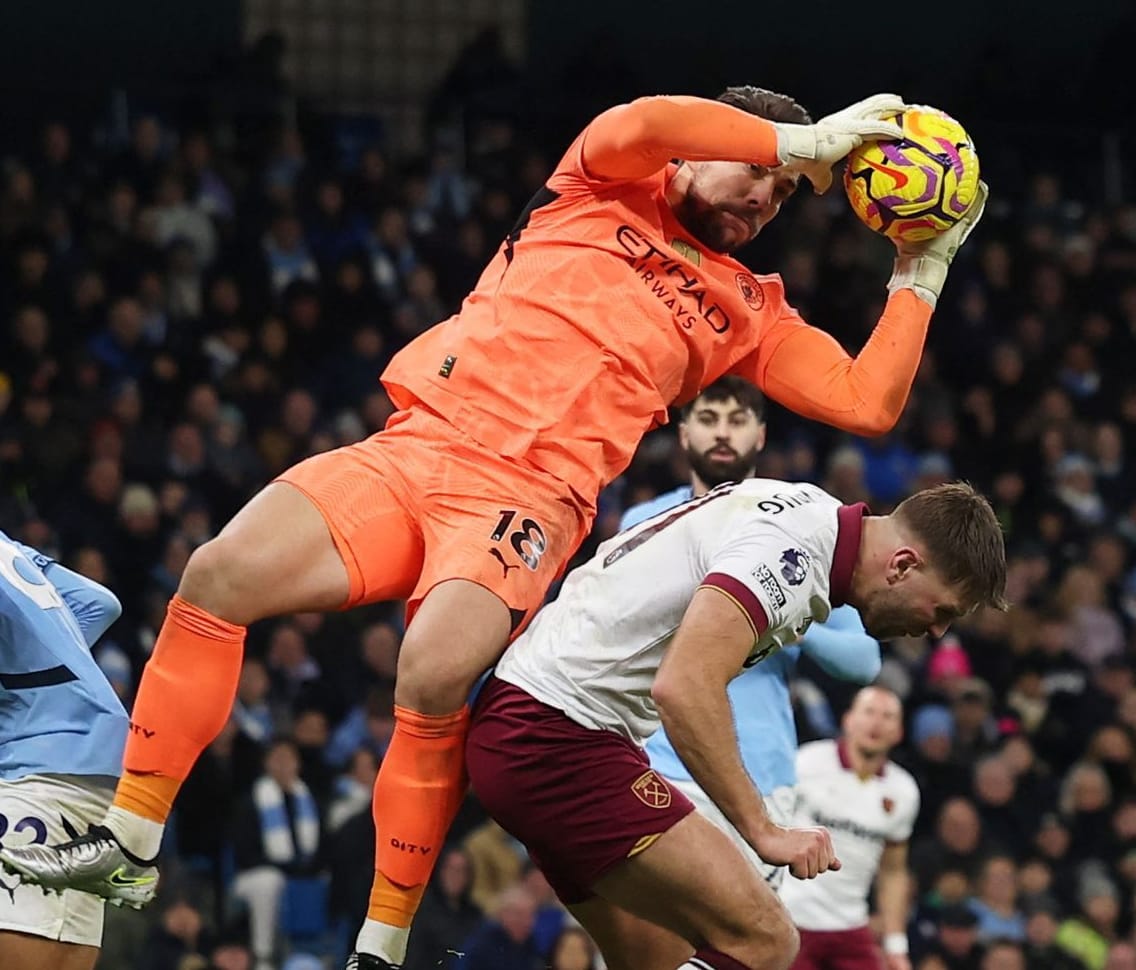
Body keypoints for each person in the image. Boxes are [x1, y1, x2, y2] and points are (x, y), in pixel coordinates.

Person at [1, 86, 988, 970]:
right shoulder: (599, 181)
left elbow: (865, 401)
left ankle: (380, 945)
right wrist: (799, 140)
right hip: (418, 447)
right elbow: (643, 120)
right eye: (758, 177)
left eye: (780, 200)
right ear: (695, 156)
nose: (764, 201)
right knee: (216, 574)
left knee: (430, 671)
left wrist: (923, 266)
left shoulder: (748, 309)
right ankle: (128, 843)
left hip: (525, 504)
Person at [468, 479, 1006, 970]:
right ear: (903, 565)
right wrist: (763, 830)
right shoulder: (794, 553)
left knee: (659, 957)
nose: (937, 632)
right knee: (767, 938)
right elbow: (684, 687)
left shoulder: (807, 510)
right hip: (555, 734)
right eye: (944, 611)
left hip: (537, 725)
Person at [622, 376, 883, 886]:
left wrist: (787, 617)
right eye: (708, 419)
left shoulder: (805, 522)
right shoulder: (645, 518)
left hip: (761, 770)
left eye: (738, 421)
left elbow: (865, 661)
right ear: (683, 434)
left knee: (745, 952)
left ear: (760, 435)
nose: (723, 434)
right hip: (654, 757)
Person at [0, 529, 127, 970]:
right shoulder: (9, 547)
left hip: (34, 768)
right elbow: (100, 604)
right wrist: (38, 668)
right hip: (102, 767)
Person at [780, 687, 919, 970]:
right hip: (790, 920)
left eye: (888, 716)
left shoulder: (904, 791)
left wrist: (895, 946)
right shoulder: (806, 763)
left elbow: (893, 872)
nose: (876, 723)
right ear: (848, 720)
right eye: (869, 712)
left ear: (899, 732)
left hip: (850, 925)